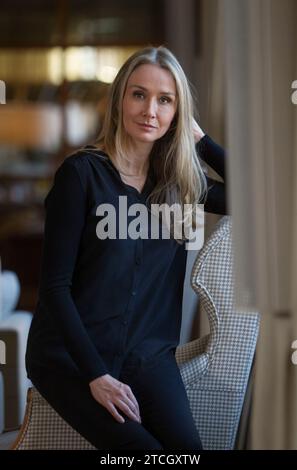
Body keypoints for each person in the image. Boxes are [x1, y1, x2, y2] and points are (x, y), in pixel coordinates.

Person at [25, 46, 227, 450]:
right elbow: (54, 289)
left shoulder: (178, 184)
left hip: (147, 358)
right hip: (71, 358)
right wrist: (96, 375)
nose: (150, 110)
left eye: (165, 100)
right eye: (139, 94)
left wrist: (201, 140)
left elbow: (256, 195)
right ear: (119, 100)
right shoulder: (79, 176)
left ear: (177, 113)